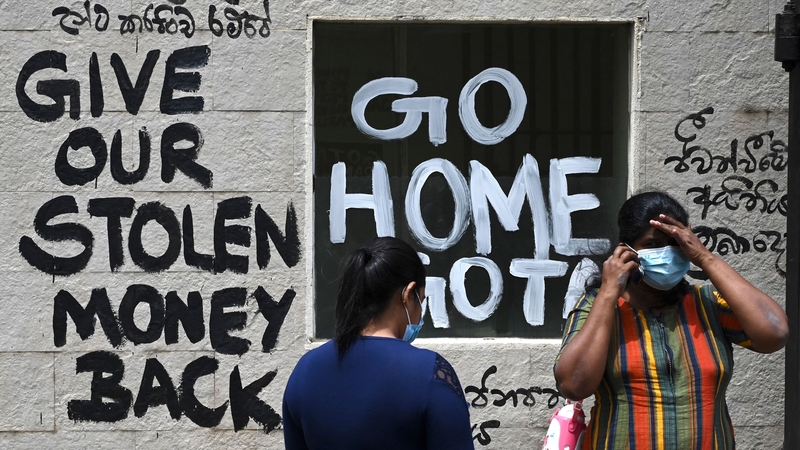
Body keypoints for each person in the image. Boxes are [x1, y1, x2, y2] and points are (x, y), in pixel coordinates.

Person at [554, 191, 788, 449]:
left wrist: (704, 257)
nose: (667, 253)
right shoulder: (600, 308)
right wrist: (609, 293)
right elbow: (573, 385)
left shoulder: (707, 304)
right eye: (653, 245)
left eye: (675, 244)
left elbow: (774, 333)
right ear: (626, 251)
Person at [282, 236, 474, 450]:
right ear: (408, 294)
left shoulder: (305, 370)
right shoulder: (432, 372)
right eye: (422, 299)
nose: (420, 313)